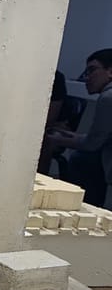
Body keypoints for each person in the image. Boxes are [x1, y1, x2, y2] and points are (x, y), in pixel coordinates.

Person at [46, 49, 112, 207]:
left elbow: (92, 144)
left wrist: (59, 139)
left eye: (92, 70)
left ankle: (80, 207)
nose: (87, 77)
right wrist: (68, 136)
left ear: (110, 72)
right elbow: (99, 138)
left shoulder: (108, 98)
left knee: (80, 160)